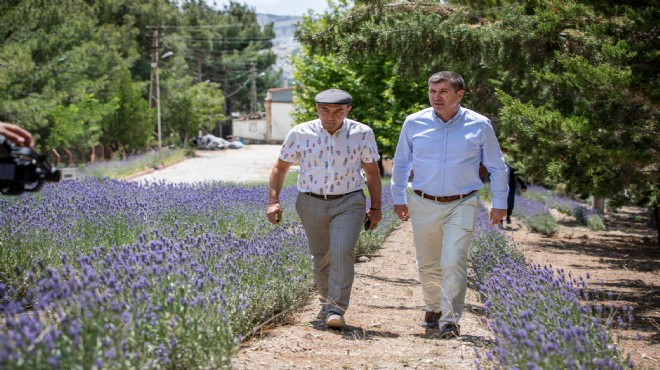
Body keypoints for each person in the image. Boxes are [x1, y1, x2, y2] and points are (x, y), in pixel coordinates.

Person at [390, 71, 508, 338]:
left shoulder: (479, 125)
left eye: (443, 91)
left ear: (459, 94)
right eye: (432, 92)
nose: (436, 97)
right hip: (422, 200)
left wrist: (500, 201)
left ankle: (450, 320)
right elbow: (401, 163)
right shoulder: (413, 123)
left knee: (454, 259)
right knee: (428, 261)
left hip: (462, 202)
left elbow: (497, 167)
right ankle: (433, 307)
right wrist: (398, 197)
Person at [266, 88, 382, 329]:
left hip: (349, 201)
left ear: (348, 110)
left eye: (338, 111)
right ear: (317, 109)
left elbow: (372, 172)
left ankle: (336, 308)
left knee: (342, 251)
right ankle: (326, 300)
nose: (330, 117)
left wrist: (376, 207)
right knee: (321, 256)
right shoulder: (300, 134)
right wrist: (273, 201)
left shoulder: (362, 133)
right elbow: (280, 167)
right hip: (310, 202)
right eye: (325, 110)